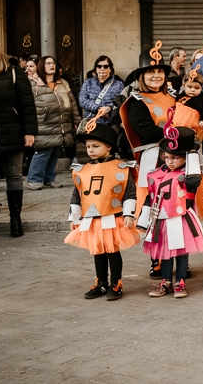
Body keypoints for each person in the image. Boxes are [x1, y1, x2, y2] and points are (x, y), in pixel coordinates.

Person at [119, 44, 177, 279]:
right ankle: (157, 258)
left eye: (160, 72)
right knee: (154, 210)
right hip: (153, 159)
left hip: (177, 160)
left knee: (177, 210)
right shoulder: (135, 101)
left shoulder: (173, 96)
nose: (156, 75)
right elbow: (146, 131)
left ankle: (179, 256)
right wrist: (177, 130)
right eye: (151, 72)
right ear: (141, 76)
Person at [64, 123, 139, 301]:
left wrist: (129, 214)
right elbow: (78, 194)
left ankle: (115, 283)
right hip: (92, 219)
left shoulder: (121, 167)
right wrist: (74, 217)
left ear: (109, 147)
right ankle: (101, 283)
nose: (90, 150)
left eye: (95, 146)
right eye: (88, 146)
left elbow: (129, 192)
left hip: (112, 217)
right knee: (97, 251)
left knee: (112, 252)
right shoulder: (82, 170)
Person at [139, 126, 203, 298]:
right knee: (165, 252)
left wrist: (192, 154)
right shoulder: (155, 174)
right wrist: (142, 220)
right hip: (161, 218)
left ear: (184, 158)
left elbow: (194, 183)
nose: (169, 161)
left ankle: (180, 281)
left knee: (181, 252)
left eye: (175, 158)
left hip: (181, 218)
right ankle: (166, 281)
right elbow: (150, 197)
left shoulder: (189, 174)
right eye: (166, 157)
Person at [0, 41, 37, 235]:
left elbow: (27, 104)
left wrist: (29, 132)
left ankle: (15, 220)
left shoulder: (12, 70)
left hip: (12, 130)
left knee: (14, 175)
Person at [26, 55, 80, 191]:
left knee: (56, 150)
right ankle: (34, 179)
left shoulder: (62, 83)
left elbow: (72, 103)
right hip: (44, 123)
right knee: (43, 151)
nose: (52, 65)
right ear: (41, 66)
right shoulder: (33, 83)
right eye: (48, 63)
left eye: (53, 63)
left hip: (62, 122)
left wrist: (76, 120)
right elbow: (27, 105)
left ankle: (49, 178)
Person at [79, 56, 124, 127]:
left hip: (111, 124)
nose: (102, 69)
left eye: (105, 66)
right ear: (96, 69)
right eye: (99, 66)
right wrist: (97, 109)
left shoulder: (119, 84)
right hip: (92, 123)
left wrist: (109, 108)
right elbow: (82, 100)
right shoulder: (88, 83)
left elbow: (122, 102)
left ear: (110, 69)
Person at [176, 68, 203, 142]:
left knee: (195, 142)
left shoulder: (201, 99)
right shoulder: (181, 95)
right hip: (180, 123)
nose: (192, 90)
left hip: (195, 125)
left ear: (201, 88)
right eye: (190, 87)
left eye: (197, 88)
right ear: (184, 85)